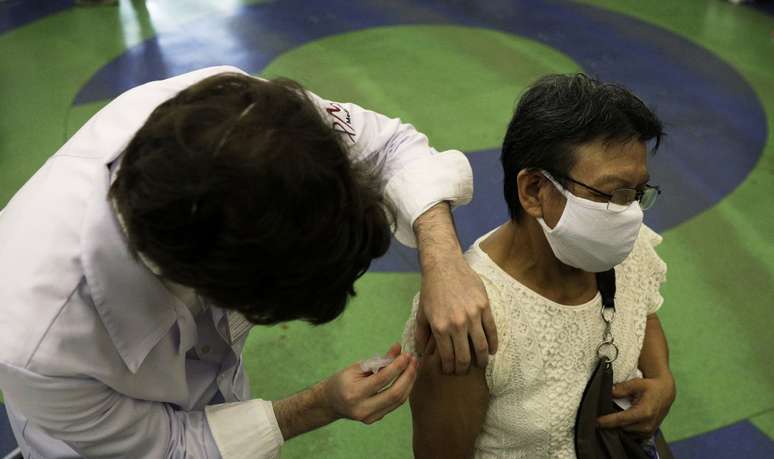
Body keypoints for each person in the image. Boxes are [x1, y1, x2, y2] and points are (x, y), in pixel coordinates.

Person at [0, 66, 496, 458]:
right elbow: (172, 447)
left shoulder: (245, 118)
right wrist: (316, 406)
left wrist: (443, 261)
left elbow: (389, 147)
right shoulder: (35, 346)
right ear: (217, 291)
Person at [402, 74, 676, 458]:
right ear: (534, 190)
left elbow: (643, 312)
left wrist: (662, 379)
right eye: (613, 193)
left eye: (637, 193)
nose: (629, 214)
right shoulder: (467, 322)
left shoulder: (624, 247)